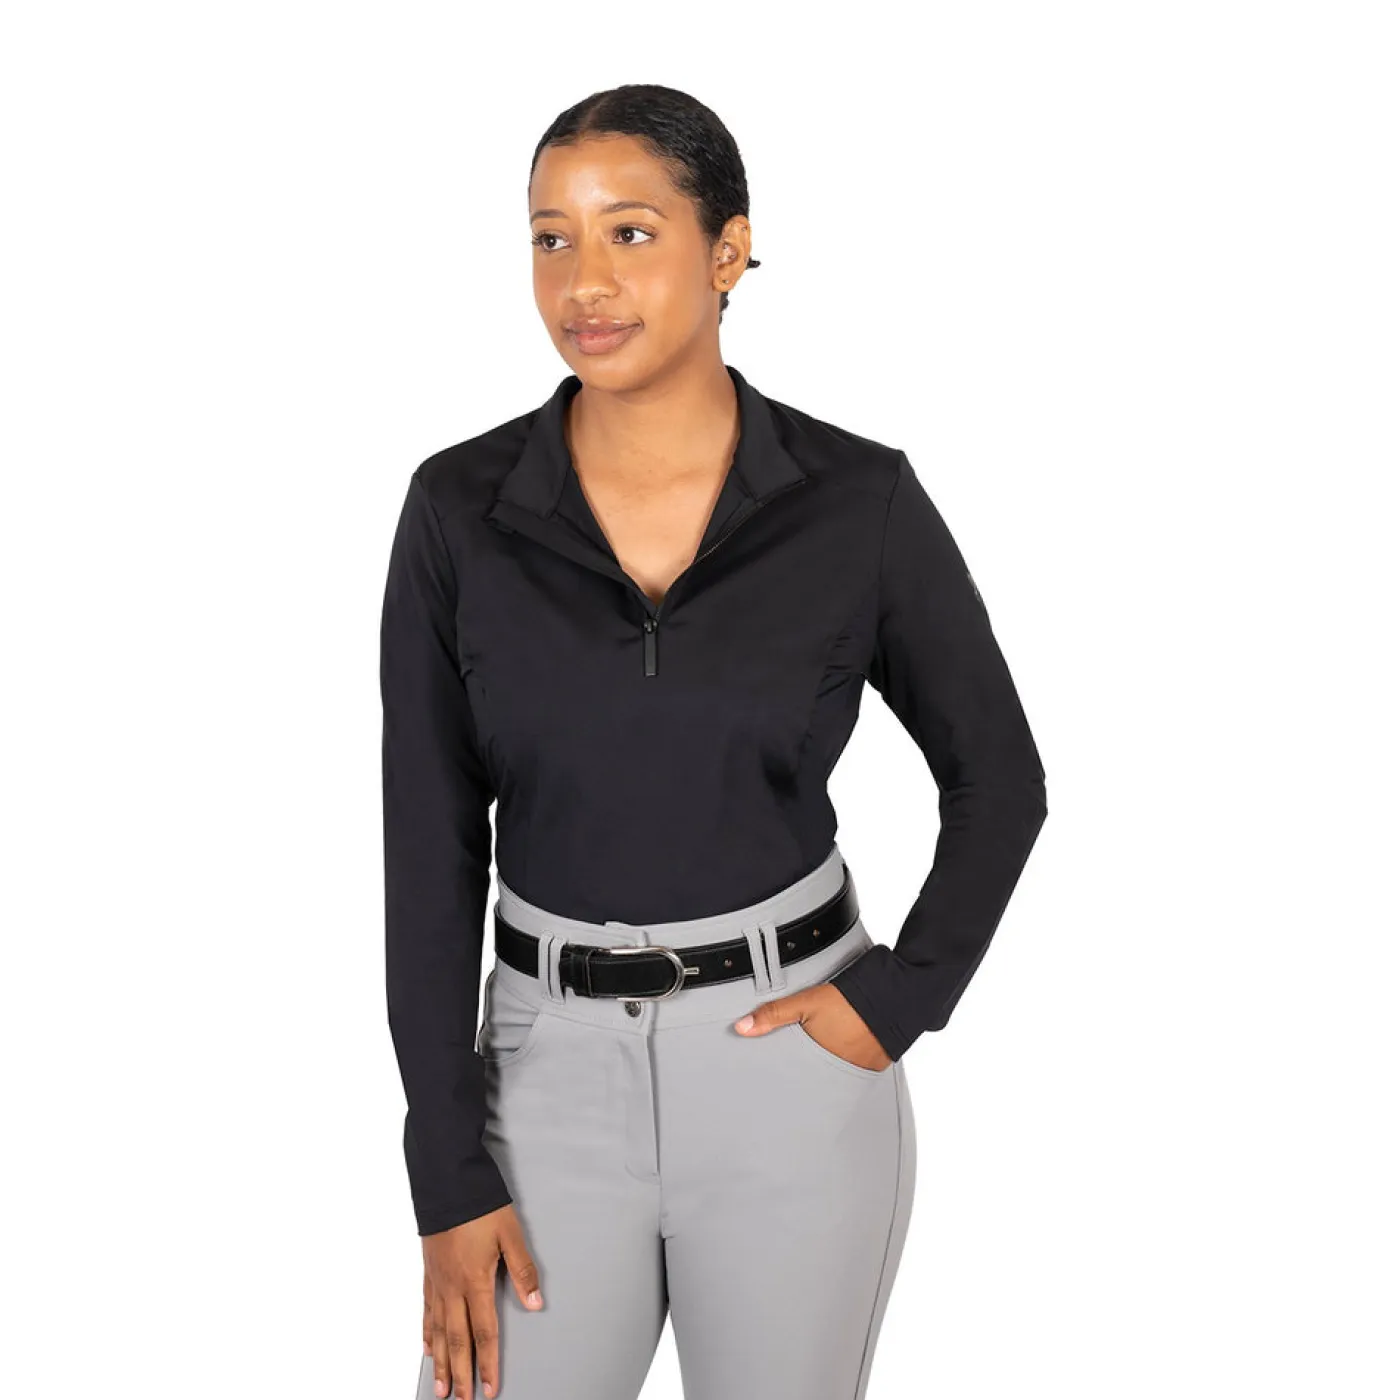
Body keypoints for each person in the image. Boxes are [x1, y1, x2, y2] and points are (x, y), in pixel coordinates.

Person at [380, 83, 1048, 1400]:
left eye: (630, 233)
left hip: (791, 1070)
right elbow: (429, 849)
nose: (583, 281)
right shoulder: (458, 509)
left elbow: (1000, 778)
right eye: (550, 239)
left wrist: (898, 1001)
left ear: (729, 250)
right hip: (541, 1084)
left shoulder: (856, 502)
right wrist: (444, 1166)